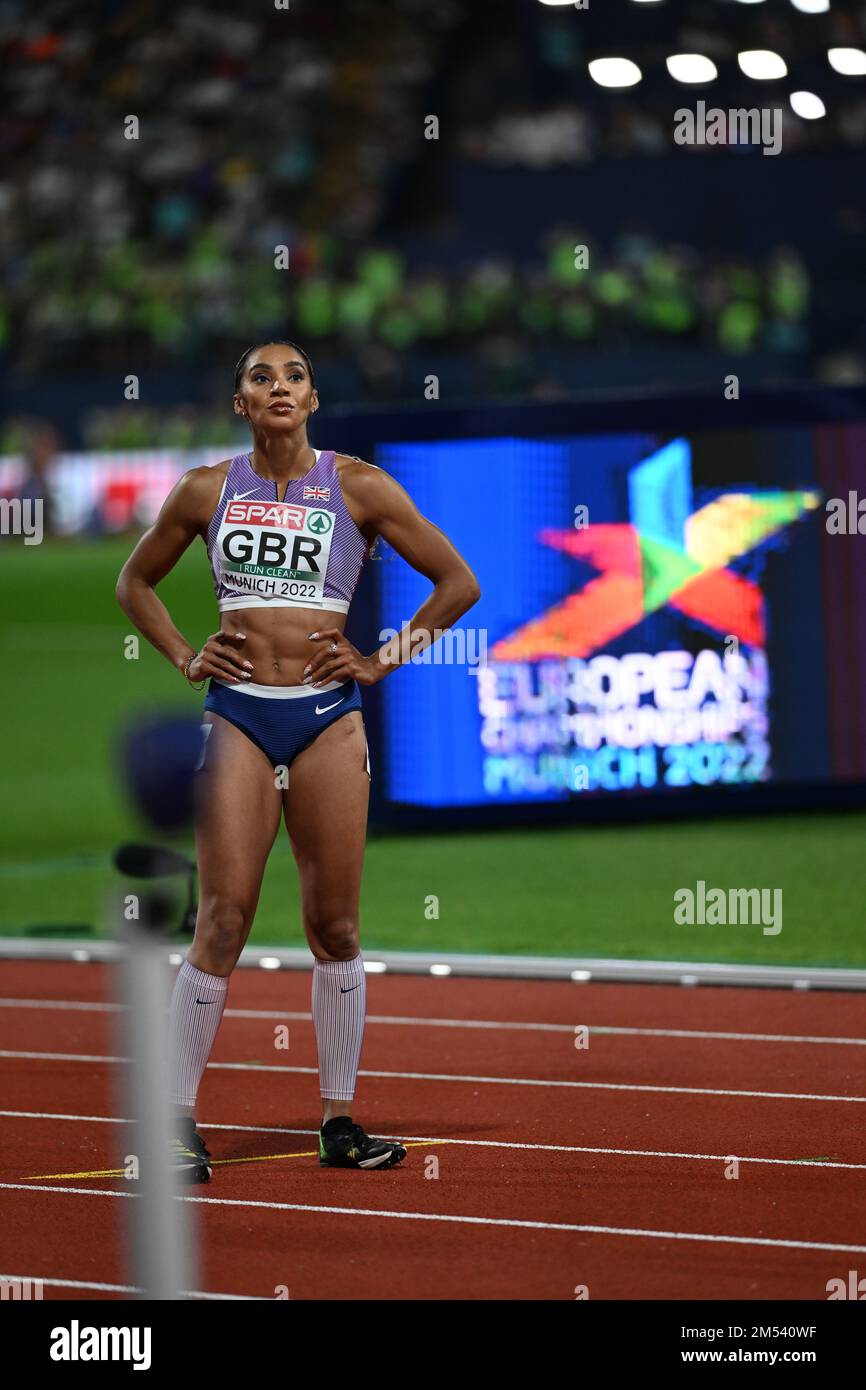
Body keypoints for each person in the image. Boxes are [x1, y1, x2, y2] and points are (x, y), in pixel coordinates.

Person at [116, 340, 480, 1178]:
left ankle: (340, 1122)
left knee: (336, 927)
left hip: (328, 721)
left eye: (293, 376)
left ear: (312, 399)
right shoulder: (207, 490)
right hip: (240, 715)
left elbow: (457, 582)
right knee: (223, 919)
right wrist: (182, 655)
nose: (278, 387)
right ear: (240, 403)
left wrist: (381, 660)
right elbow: (135, 582)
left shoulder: (360, 487)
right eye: (259, 377)